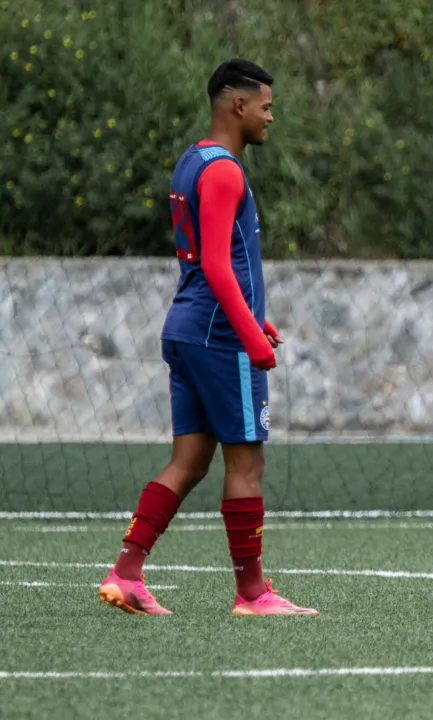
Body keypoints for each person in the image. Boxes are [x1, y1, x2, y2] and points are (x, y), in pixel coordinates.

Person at [98, 59, 317, 616]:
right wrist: (253, 338)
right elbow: (218, 266)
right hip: (219, 336)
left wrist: (255, 317)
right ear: (236, 105)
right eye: (266, 106)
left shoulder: (192, 161)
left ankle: (125, 573)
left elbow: (207, 264)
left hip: (191, 327)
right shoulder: (226, 172)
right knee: (246, 467)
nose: (272, 116)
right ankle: (253, 594)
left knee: (189, 462)